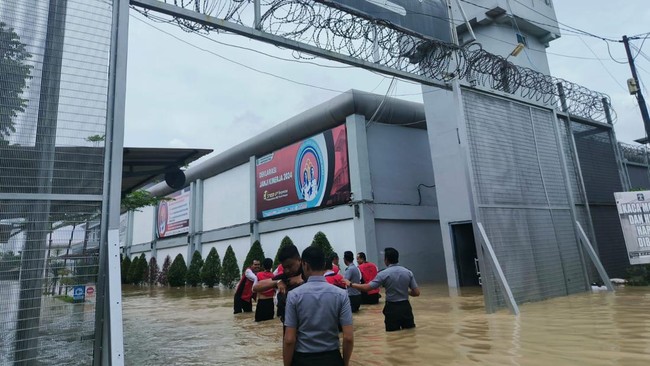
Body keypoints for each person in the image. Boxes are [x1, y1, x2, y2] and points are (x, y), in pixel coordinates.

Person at [283, 246, 353, 366]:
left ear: (305, 265)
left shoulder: (293, 295)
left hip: (303, 359)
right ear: (324, 264)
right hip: (332, 358)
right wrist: (344, 363)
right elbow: (348, 338)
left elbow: (289, 339)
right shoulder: (341, 294)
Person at [345, 247, 420, 332]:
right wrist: (404, 290)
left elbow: (367, 288)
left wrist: (351, 284)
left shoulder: (383, 274)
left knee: (393, 337)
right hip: (406, 307)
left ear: (386, 260)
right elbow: (416, 292)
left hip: (392, 308)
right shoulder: (408, 272)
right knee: (409, 334)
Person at [252, 244, 304, 326]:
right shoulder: (284, 277)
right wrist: (277, 282)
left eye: (290, 266)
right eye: (284, 267)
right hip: (288, 323)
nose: (287, 270)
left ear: (299, 260)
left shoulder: (308, 274)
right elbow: (256, 287)